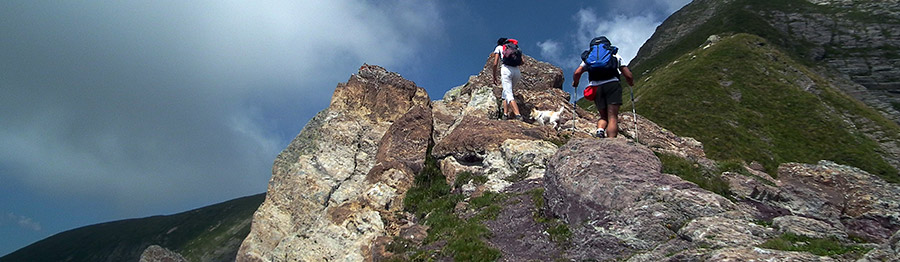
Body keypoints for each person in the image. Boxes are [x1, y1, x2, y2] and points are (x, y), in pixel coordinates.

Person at [572, 37, 634, 138]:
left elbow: (577, 72)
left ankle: (600, 131)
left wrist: (575, 82)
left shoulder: (589, 57)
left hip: (595, 88)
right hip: (612, 85)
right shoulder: (613, 55)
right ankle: (611, 142)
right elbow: (628, 75)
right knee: (612, 117)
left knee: (603, 116)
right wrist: (630, 82)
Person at [492, 38, 524, 120]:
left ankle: (518, 115)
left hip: (506, 69)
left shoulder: (499, 48)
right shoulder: (514, 48)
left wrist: (494, 76)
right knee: (505, 92)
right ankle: (505, 114)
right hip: (517, 71)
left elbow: (495, 63)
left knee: (509, 94)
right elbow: (522, 62)